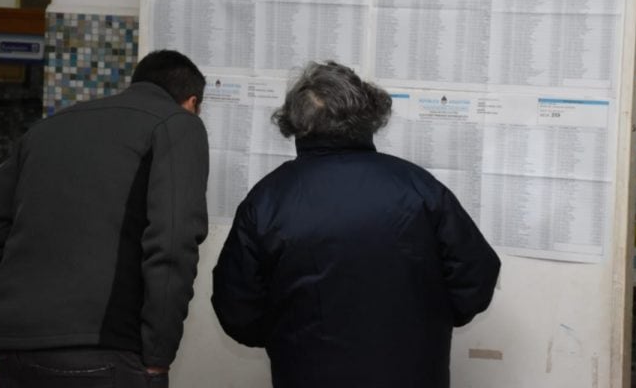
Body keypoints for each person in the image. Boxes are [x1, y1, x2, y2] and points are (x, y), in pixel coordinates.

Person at [211, 61, 500, 388]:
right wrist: (431, 323)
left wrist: (287, 338)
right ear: (368, 115)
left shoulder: (267, 200)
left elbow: (237, 307)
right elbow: (476, 276)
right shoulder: (419, 188)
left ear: (297, 123)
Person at [0, 50, 210, 387]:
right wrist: (158, 355)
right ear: (191, 101)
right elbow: (172, 242)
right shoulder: (178, 124)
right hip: (104, 351)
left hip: (16, 349)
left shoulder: (46, 128)